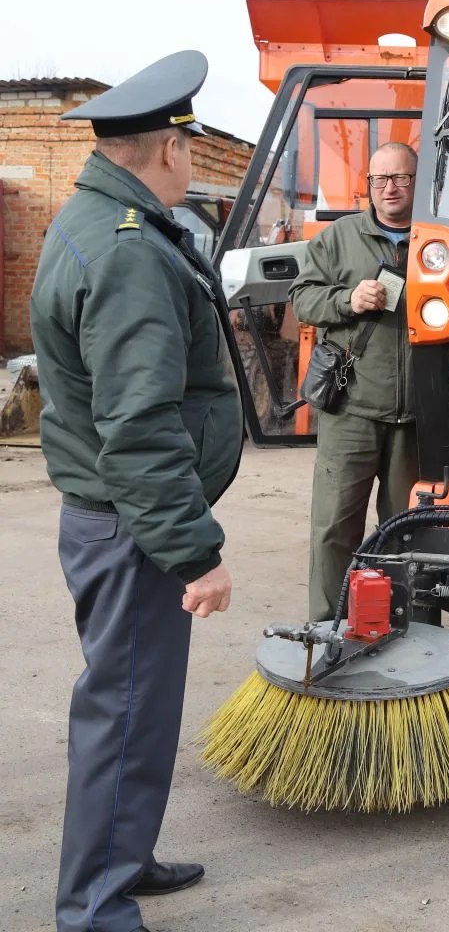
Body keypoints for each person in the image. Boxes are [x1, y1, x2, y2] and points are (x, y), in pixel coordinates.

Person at [29, 50, 242, 932]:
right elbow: (139, 424)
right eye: (190, 147)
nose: (192, 163)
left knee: (134, 712)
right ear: (168, 151)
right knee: (124, 716)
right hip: (134, 525)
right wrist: (195, 553)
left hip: (116, 519)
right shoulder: (129, 256)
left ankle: (124, 859)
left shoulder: (93, 220)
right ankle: (95, 912)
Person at [290, 142, 420, 621]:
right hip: (352, 412)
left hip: (416, 419)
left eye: (401, 178)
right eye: (379, 179)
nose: (389, 188)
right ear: (367, 185)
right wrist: (348, 299)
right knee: (334, 529)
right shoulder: (341, 237)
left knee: (408, 531)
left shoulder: (437, 238)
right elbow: (303, 298)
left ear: (416, 182)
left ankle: (408, 629)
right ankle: (326, 630)